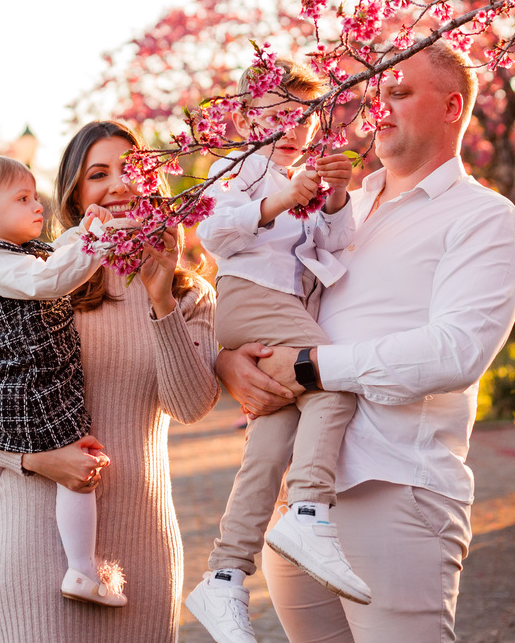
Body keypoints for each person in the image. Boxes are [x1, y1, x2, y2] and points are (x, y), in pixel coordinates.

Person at [217, 40, 515, 642]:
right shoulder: (335, 207)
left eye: (400, 92)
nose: (379, 109)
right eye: (375, 95)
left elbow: (456, 352)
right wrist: (230, 362)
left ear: (451, 105)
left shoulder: (483, 217)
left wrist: (310, 367)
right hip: (297, 497)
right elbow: (266, 295)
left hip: (395, 489)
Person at [0, 120, 222, 642]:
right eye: (99, 174)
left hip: (143, 543)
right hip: (36, 548)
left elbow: (190, 405)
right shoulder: (37, 282)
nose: (120, 185)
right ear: (76, 193)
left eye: (133, 169)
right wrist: (32, 458)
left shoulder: (189, 293)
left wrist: (161, 301)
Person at [186, 58, 363, 643]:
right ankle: (309, 510)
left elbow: (336, 244)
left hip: (281, 307)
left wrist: (333, 196)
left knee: (266, 449)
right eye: (280, 113)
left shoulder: (304, 174)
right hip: (248, 296)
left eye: (306, 116)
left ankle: (224, 576)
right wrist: (279, 198)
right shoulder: (238, 169)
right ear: (244, 116)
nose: (294, 127)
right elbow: (212, 234)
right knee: (332, 381)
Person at [0, 143, 128, 606]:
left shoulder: (15, 253)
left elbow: (55, 258)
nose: (38, 205)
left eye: (35, 195)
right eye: (21, 198)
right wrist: (94, 241)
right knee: (77, 467)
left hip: (0, 382)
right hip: (30, 388)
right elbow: (50, 279)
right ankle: (81, 571)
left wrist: (80, 234)